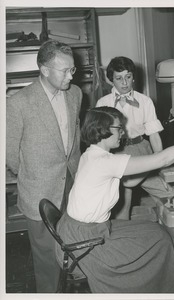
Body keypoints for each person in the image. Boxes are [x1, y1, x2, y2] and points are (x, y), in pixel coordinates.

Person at [55, 106, 174, 293]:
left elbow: (130, 183)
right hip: (85, 240)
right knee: (159, 240)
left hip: (75, 228)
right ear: (103, 130)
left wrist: (150, 164)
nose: (122, 132)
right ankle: (159, 290)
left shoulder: (91, 154)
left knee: (155, 231)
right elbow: (163, 160)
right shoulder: (105, 162)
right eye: (118, 128)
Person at [6, 39, 82, 293]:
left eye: (73, 69)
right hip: (39, 190)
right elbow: (9, 151)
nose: (72, 75)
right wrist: (32, 175)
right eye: (66, 70)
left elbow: (75, 136)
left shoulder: (76, 94)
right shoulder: (18, 102)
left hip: (72, 181)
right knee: (46, 260)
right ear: (45, 69)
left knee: (74, 245)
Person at [96, 56, 174, 220]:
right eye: (119, 78)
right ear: (111, 80)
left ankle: (172, 223)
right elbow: (100, 140)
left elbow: (154, 135)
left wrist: (162, 163)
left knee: (170, 194)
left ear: (133, 77)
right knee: (120, 198)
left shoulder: (145, 101)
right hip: (117, 152)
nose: (124, 82)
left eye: (128, 77)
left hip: (142, 149)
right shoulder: (102, 103)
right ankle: (124, 231)